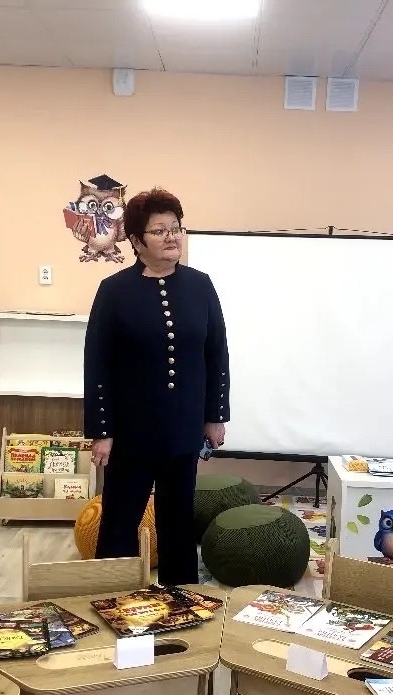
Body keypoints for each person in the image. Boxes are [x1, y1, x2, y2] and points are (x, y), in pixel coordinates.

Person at [83, 187, 230, 586]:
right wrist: (101, 430)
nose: (171, 236)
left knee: (178, 520)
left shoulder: (201, 286)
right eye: (160, 230)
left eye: (176, 228)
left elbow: (217, 354)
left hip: (183, 429)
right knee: (119, 519)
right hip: (130, 433)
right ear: (136, 241)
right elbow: (97, 364)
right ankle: (108, 595)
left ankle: (182, 599)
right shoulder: (114, 291)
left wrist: (215, 416)